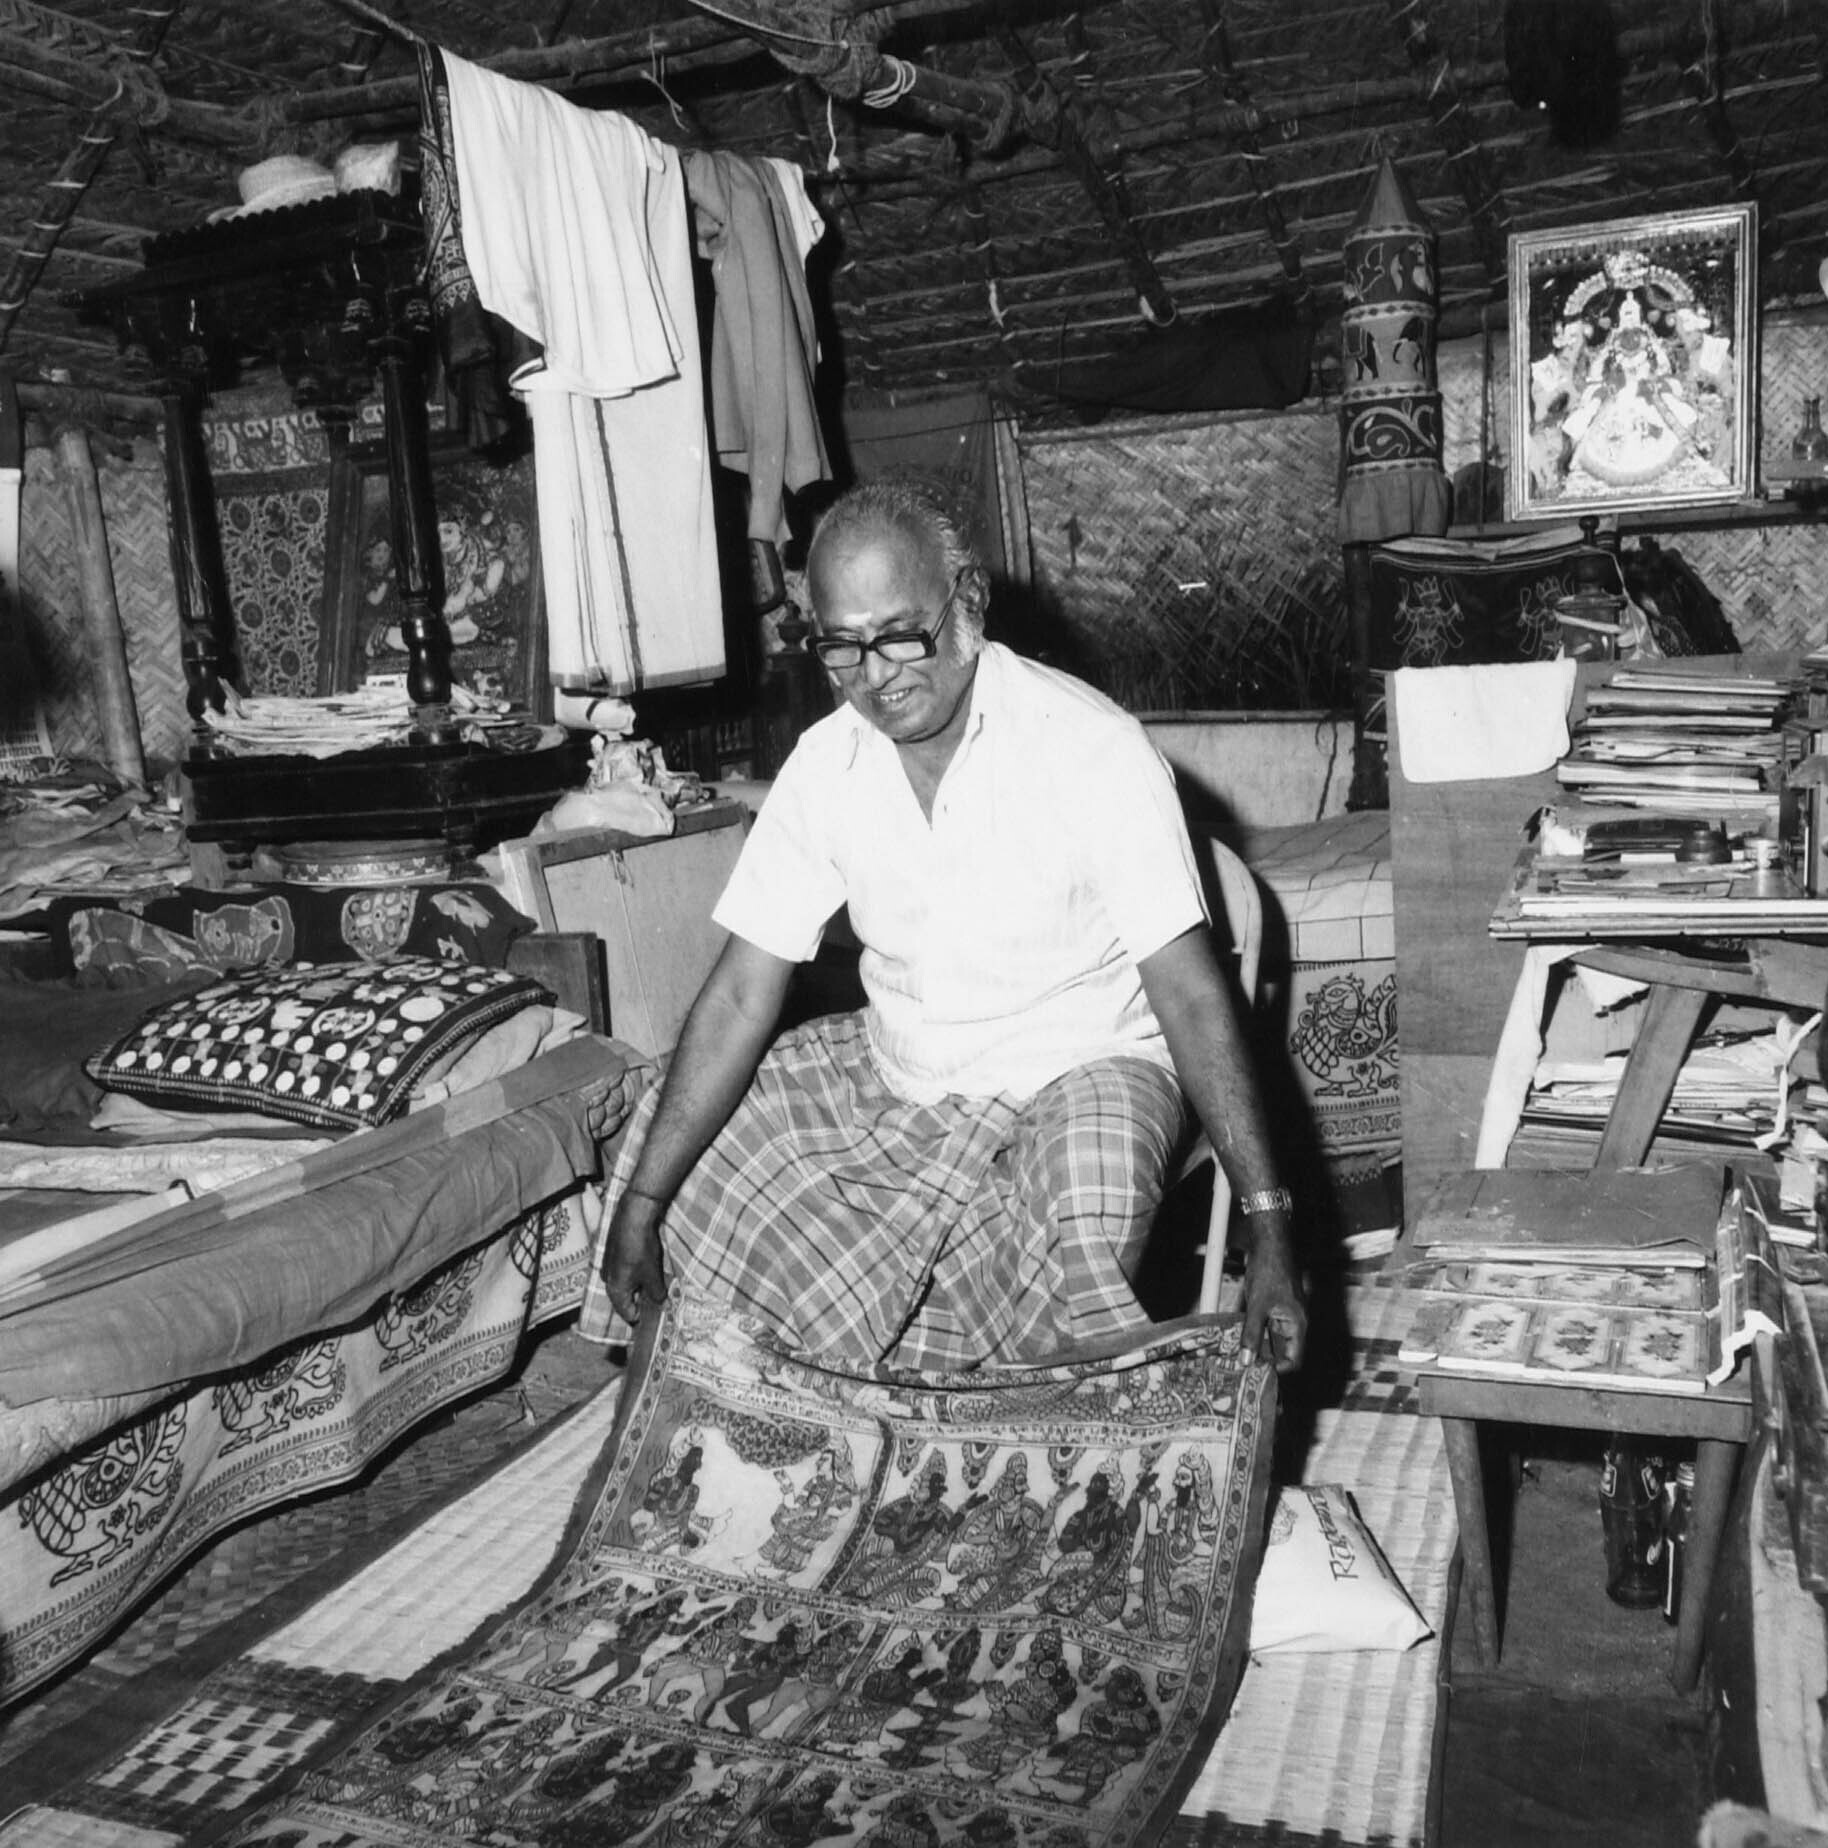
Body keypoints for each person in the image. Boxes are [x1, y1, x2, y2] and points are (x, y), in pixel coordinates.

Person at [579, 472, 1305, 1375]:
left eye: (898, 635)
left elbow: (1192, 996)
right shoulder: (826, 765)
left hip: (1084, 1066)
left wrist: (1271, 1227)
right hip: (908, 1073)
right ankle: (804, 1422)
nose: (875, 676)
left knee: (1088, 1195)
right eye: (842, 647)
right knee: (686, 1135)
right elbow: (737, 996)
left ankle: (1041, 1432)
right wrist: (645, 1200)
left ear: (968, 602)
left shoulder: (1089, 748)